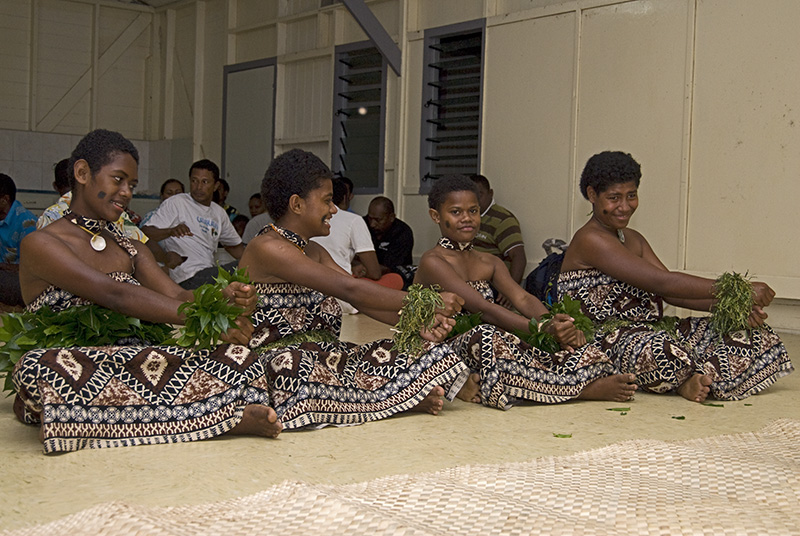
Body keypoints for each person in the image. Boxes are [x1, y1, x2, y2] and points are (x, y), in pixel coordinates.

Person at [11, 129, 281, 454]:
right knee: (47, 366)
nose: (126, 193)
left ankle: (81, 421)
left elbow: (179, 296)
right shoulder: (41, 243)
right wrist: (197, 317)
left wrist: (225, 300)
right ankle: (219, 414)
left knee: (239, 357)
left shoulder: (130, 247)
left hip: (137, 360)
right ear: (82, 173)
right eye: (118, 180)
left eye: (132, 185)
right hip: (74, 360)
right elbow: (114, 295)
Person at [238, 149, 471, 430]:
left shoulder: (314, 249)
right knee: (296, 366)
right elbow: (349, 289)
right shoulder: (268, 248)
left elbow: (363, 300)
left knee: (414, 349)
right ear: (297, 204)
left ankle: (390, 397)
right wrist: (427, 301)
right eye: (327, 201)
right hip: (280, 362)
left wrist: (418, 323)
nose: (334, 209)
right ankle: (399, 397)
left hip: (326, 356)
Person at [558, 151, 793, 402]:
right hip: (606, 341)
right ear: (592, 195)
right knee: (662, 349)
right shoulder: (590, 239)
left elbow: (670, 293)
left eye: (631, 196)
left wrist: (734, 308)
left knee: (750, 333)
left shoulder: (635, 239)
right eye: (614, 198)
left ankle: (695, 378)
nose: (624, 207)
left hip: (653, 329)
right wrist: (738, 290)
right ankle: (687, 379)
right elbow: (661, 281)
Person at [414, 175, 636, 408]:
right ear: (436, 216)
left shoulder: (489, 261)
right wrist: (542, 329)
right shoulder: (433, 261)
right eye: (456, 212)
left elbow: (521, 297)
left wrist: (554, 324)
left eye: (473, 211)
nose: (467, 219)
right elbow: (482, 308)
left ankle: (557, 381)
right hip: (445, 347)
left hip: (490, 341)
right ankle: (583, 390)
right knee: (487, 336)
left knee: (567, 343)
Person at [142, 159, 243, 289]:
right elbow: (145, 233)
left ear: (216, 185)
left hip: (207, 274)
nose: (198, 187)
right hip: (186, 278)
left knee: (249, 267)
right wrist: (170, 232)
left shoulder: (218, 212)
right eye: (194, 181)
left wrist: (253, 260)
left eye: (204, 182)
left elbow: (234, 247)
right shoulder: (177, 202)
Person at [312, 178, 401, 313]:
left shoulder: (313, 243)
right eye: (327, 202)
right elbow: (374, 273)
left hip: (327, 288)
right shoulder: (353, 220)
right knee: (394, 279)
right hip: (343, 295)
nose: (333, 211)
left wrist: (355, 266)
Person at [470, 174, 527, 288]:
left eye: (479, 194)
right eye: (471, 196)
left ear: (490, 193)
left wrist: (510, 290)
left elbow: (519, 257)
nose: (475, 200)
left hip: (490, 286)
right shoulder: (465, 218)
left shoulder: (503, 220)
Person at [0, 174, 38, 307]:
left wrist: (3, 266)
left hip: (23, 281)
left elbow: (34, 268)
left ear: (4, 199)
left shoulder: (27, 223)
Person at [364, 196, 416, 289]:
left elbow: (389, 268)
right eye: (370, 218)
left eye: (378, 220)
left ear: (391, 217)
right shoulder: (362, 224)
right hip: (366, 278)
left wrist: (362, 267)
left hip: (396, 279)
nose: (372, 224)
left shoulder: (402, 232)